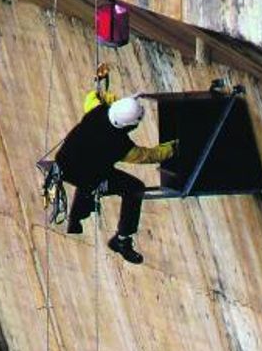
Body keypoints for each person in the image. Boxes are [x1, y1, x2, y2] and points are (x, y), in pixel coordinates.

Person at [55, 89, 177, 264]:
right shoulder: (119, 145)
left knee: (94, 174)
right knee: (134, 188)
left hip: (66, 163)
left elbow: (93, 96)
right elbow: (148, 156)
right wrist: (173, 147)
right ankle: (121, 240)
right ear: (129, 125)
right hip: (84, 172)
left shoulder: (96, 111)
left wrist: (125, 100)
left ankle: (79, 213)